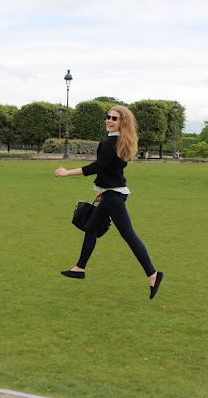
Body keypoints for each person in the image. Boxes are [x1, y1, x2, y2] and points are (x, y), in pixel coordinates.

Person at [55, 105, 163, 299]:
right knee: (91, 227)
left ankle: (153, 274)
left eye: (114, 118)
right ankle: (79, 268)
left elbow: (97, 167)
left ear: (123, 122)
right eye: (108, 117)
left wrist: (67, 172)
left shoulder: (111, 142)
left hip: (114, 196)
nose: (109, 120)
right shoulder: (119, 141)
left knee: (128, 235)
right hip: (112, 193)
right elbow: (112, 171)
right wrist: (103, 191)